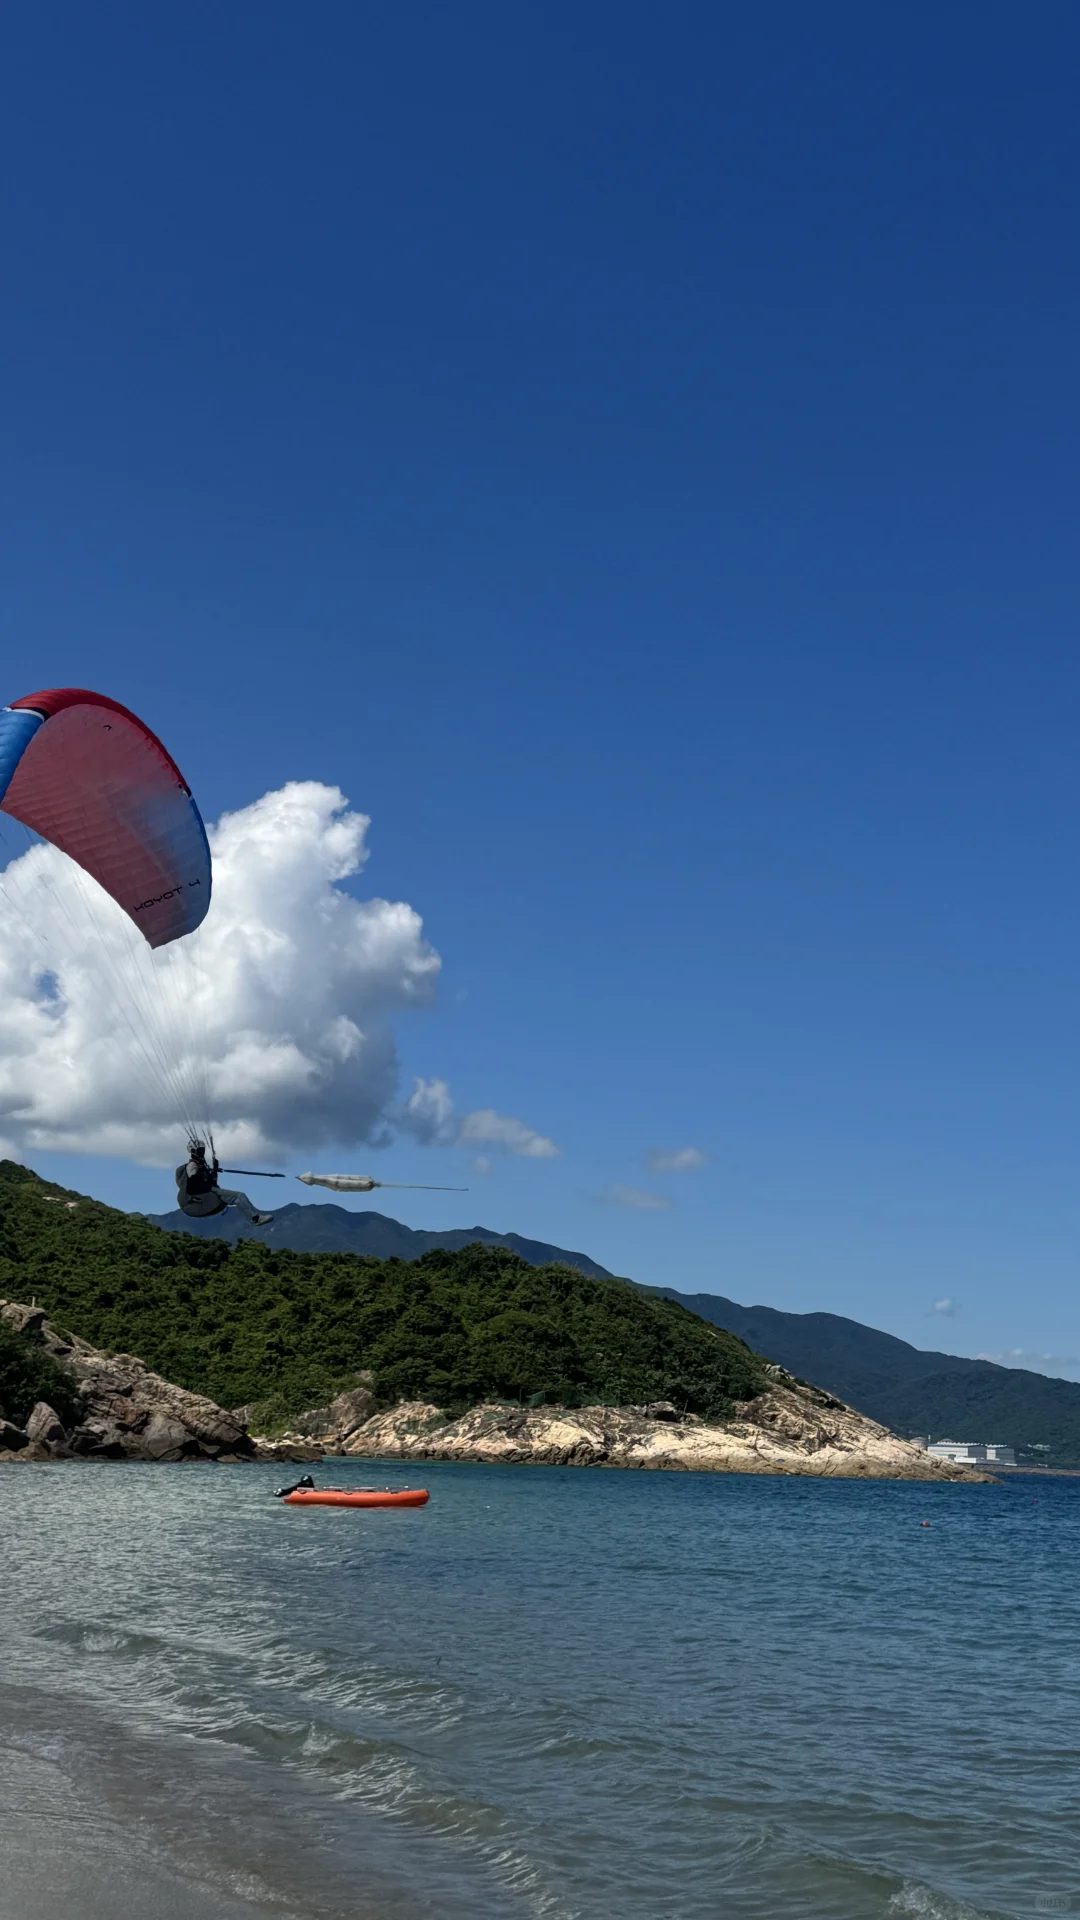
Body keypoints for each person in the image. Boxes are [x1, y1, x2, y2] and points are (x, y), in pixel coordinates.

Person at [175, 1141, 273, 1227]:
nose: (202, 1153)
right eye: (200, 1151)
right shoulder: (192, 1165)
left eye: (203, 1150)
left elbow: (211, 1182)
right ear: (193, 1152)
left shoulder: (201, 1166)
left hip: (209, 1191)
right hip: (205, 1193)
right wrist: (209, 1172)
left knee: (239, 1198)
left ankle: (254, 1217)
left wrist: (214, 1170)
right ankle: (255, 1219)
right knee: (239, 1196)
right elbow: (194, 1183)